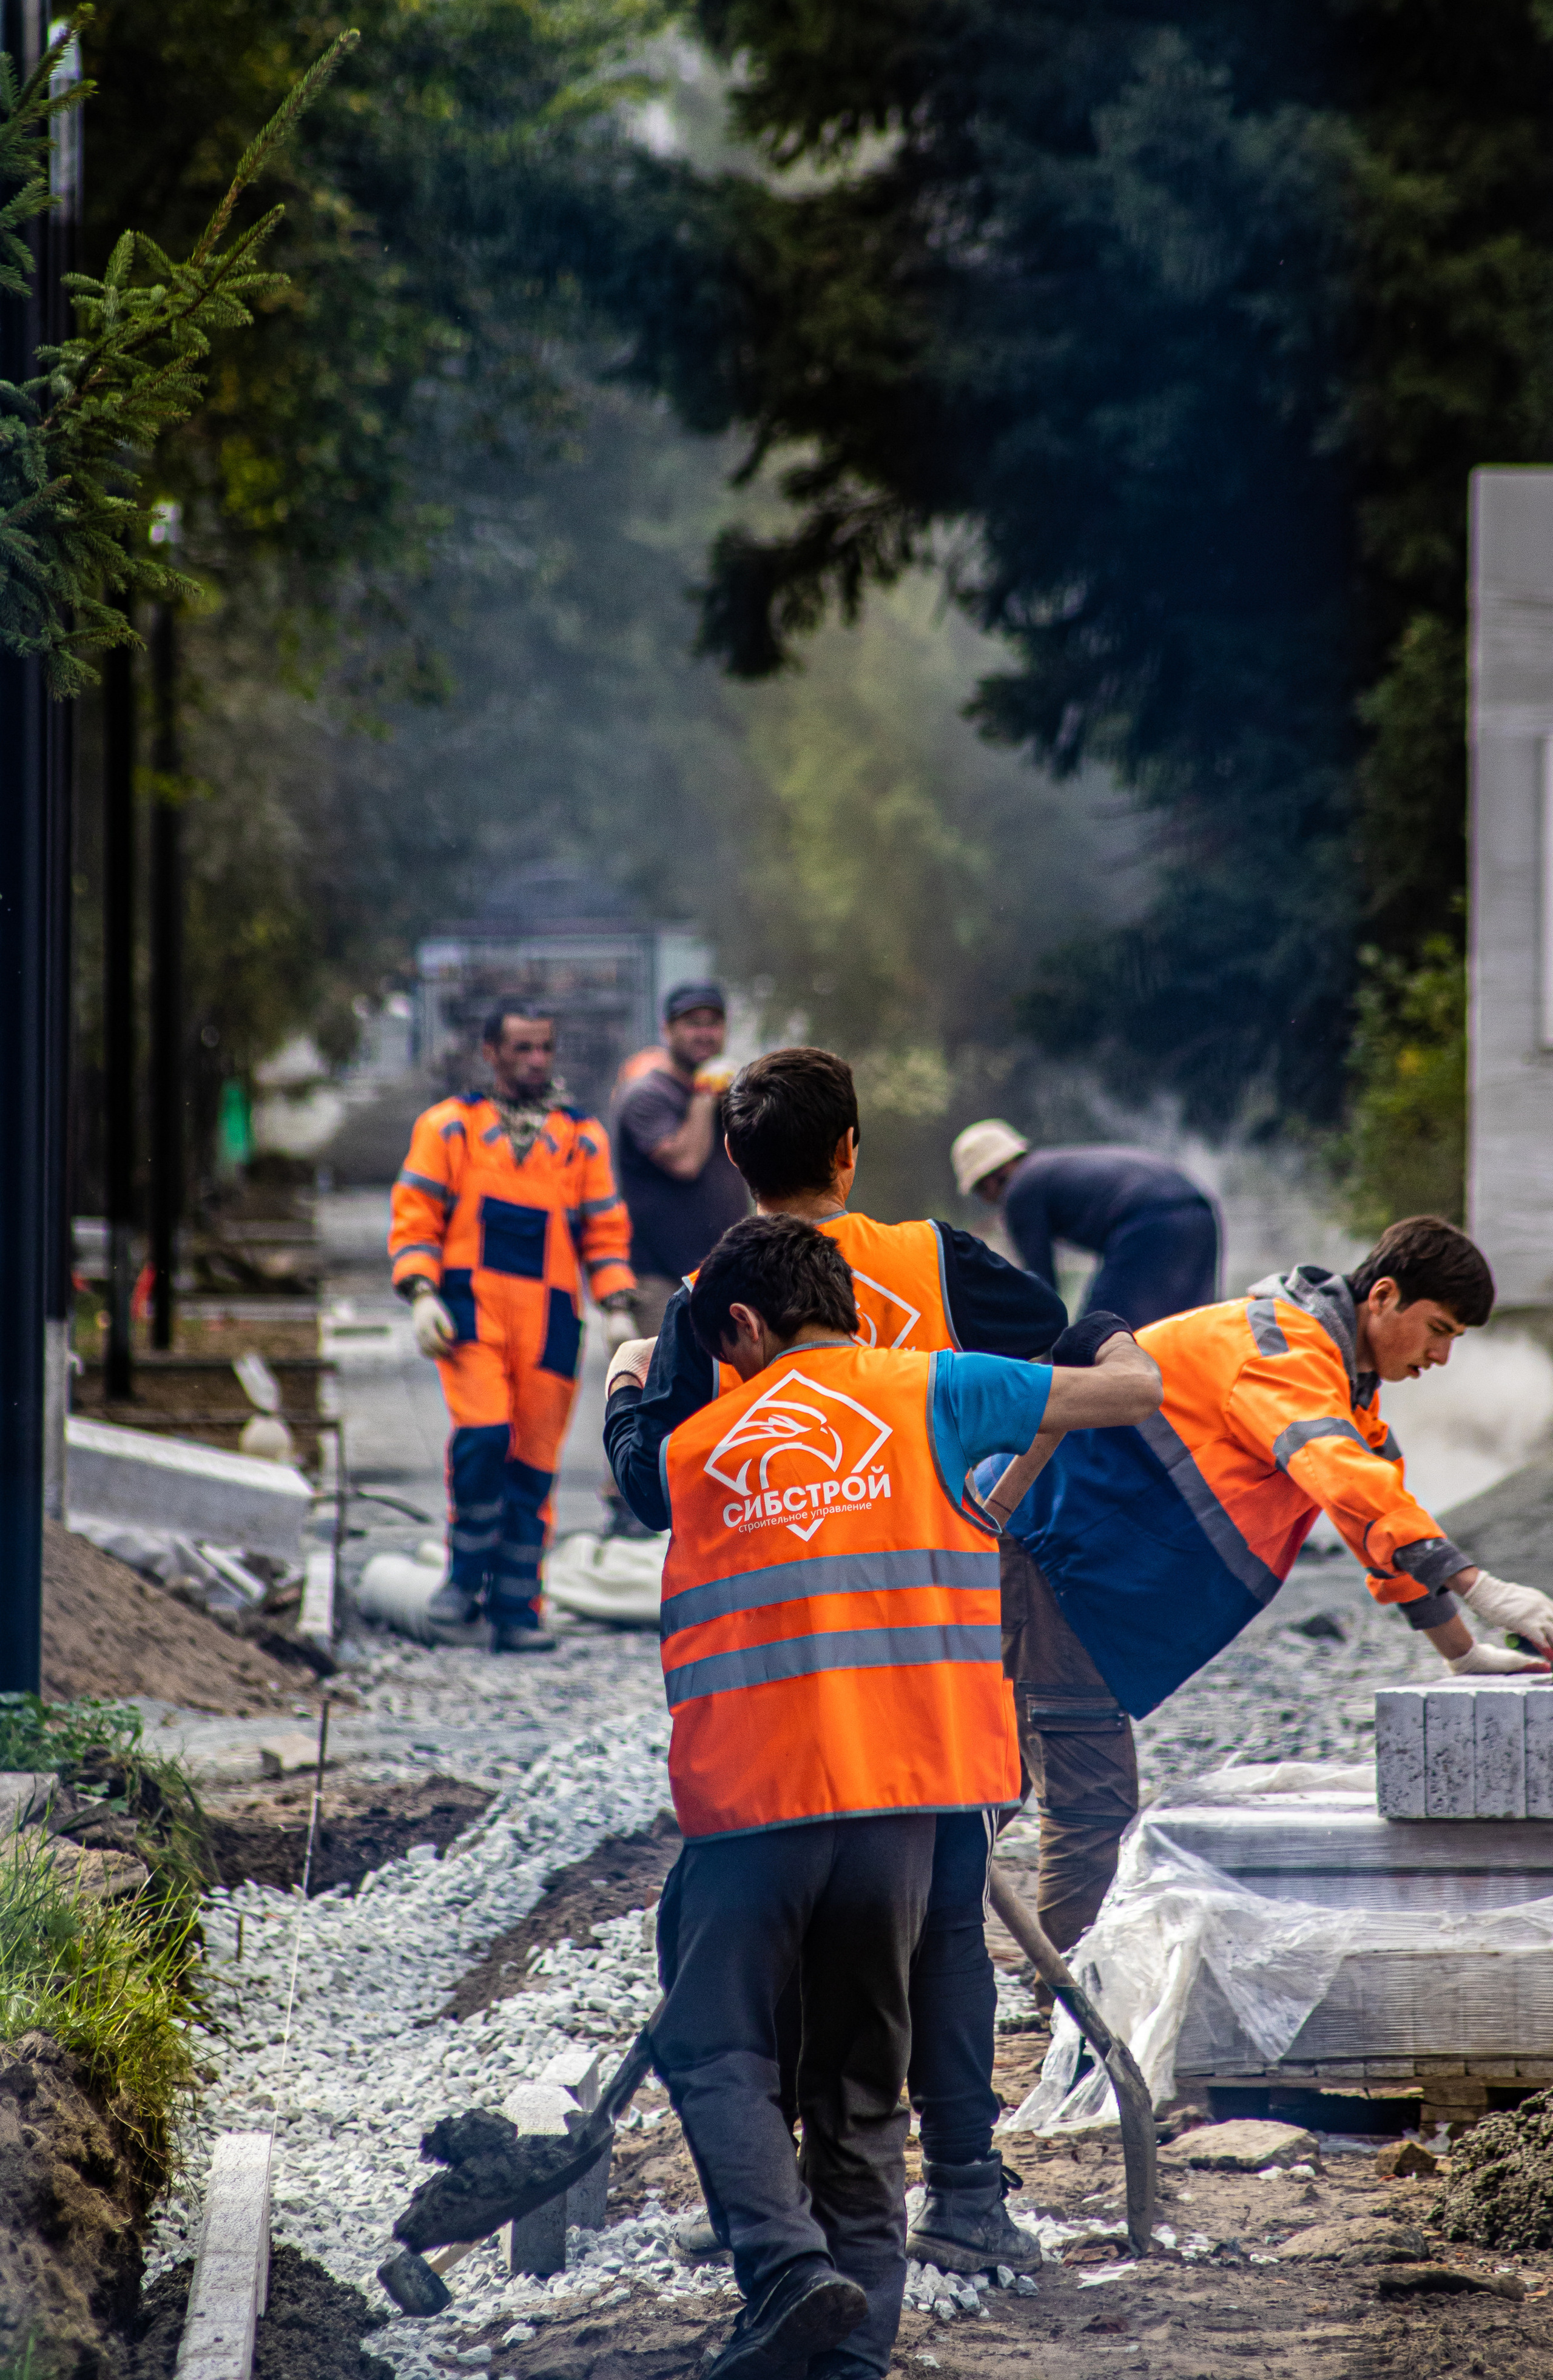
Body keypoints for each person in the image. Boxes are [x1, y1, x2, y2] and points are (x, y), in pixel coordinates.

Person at [648, 1214, 1161, 2380]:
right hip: (902, 1810)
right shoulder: (942, 1385)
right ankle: (853, 2356)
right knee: (862, 2083)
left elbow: (657, 1490)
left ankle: (786, 2269)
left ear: (740, 1325)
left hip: (755, 1805)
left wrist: (640, 1384)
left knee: (714, 2039)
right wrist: (1092, 1347)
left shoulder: (696, 1445)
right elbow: (1131, 1391)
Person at [605, 1046, 1075, 2279]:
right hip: (929, 1670)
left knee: (786, 1950)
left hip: (779, 1704)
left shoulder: (715, 1300)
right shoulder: (932, 1263)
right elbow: (1065, 1356)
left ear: (733, 1166)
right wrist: (996, 1493)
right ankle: (965, 2195)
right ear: (850, 1148)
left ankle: (792, 2213)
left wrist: (622, 1389)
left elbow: (655, 1487)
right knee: (944, 1934)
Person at [980, 1214, 1553, 1954]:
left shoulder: (1340, 1390)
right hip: (1053, 1559)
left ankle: (903, 1953)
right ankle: (1081, 2019)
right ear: (1382, 1296)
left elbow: (1369, 1519)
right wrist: (1478, 1583)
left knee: (986, 1781)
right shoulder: (1280, 1350)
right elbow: (1339, 1475)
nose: (1441, 1356)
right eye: (1437, 1329)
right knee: (1089, 1803)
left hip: (1064, 1570)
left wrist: (1460, 1651)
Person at [388, 1001, 637, 1651]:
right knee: (483, 1435)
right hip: (469, 1313)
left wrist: (615, 1305)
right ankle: (463, 1574)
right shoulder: (449, 1129)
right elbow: (416, 1217)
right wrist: (420, 1291)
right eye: (521, 1048)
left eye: (544, 1049)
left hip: (552, 1323)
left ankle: (517, 1606)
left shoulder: (582, 1138)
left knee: (533, 1464)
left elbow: (605, 1231)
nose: (535, 1061)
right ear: (490, 1053)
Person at [951, 1120, 1221, 1330]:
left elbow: (1043, 1294)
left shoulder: (1021, 1190)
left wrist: (1042, 1363)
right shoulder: (1047, 1168)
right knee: (1193, 1324)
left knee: (1100, 1336)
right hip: (1198, 1210)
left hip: (1148, 1221)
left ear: (987, 1182)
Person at [613, 981, 749, 1334]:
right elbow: (686, 1162)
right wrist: (704, 1094)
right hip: (660, 1280)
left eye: (713, 1023)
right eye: (693, 1024)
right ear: (667, 1030)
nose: (705, 1034)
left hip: (722, 1276)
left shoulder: (731, 1091)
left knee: (726, 1388)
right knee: (666, 1386)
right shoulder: (646, 1096)